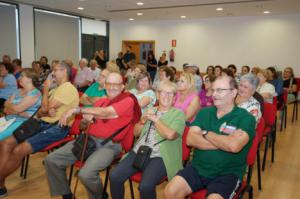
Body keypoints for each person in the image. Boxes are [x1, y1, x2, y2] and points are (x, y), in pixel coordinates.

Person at [44, 72, 141, 199]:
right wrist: (85, 121)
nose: (111, 87)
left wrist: (76, 109)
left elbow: (106, 113)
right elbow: (83, 127)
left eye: (116, 84)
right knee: (51, 160)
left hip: (109, 146)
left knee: (85, 174)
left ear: (122, 86)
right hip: (88, 140)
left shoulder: (127, 100)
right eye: (109, 84)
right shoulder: (100, 102)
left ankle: (100, 196)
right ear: (105, 86)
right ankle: (66, 195)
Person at [164, 75, 256, 199]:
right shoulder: (204, 112)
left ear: (233, 92)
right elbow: (190, 139)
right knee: (170, 191)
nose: (214, 94)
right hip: (198, 168)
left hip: (228, 174)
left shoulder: (246, 118)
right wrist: (224, 142)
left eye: (220, 90)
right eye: (213, 90)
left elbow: (233, 146)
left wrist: (206, 133)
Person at [0, 61, 79, 197]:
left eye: (55, 70)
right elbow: (43, 111)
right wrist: (46, 108)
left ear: (64, 71)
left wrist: (46, 91)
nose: (52, 73)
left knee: (18, 150)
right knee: (6, 143)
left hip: (56, 128)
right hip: (40, 122)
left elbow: (45, 109)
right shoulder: (56, 88)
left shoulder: (68, 88)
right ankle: (1, 185)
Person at [109, 80, 185, 199]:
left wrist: (155, 119)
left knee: (145, 186)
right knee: (114, 176)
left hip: (161, 156)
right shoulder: (151, 111)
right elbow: (135, 132)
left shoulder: (178, 114)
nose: (166, 96)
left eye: (171, 94)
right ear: (158, 95)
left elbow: (170, 135)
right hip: (140, 151)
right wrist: (142, 121)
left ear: (175, 98)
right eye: (163, 93)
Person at [0, 68, 42, 141]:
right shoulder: (17, 90)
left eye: (22, 76)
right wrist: (14, 110)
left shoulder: (35, 93)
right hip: (9, 118)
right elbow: (5, 104)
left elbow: (17, 109)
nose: (19, 78)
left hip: (22, 123)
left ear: (30, 78)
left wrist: (11, 108)